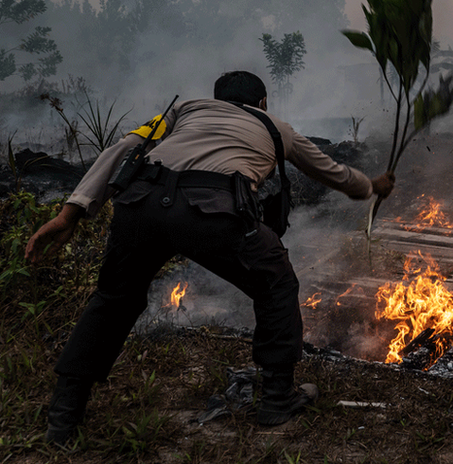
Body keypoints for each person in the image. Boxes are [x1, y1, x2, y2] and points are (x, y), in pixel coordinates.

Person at [25, 70, 395, 446]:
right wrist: (371, 186)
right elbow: (330, 172)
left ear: (216, 99)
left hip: (142, 204)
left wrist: (69, 213)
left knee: (113, 301)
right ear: (263, 102)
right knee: (277, 283)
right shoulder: (277, 127)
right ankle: (277, 398)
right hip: (215, 210)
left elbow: (123, 148)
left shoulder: (184, 109)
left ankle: (63, 417)